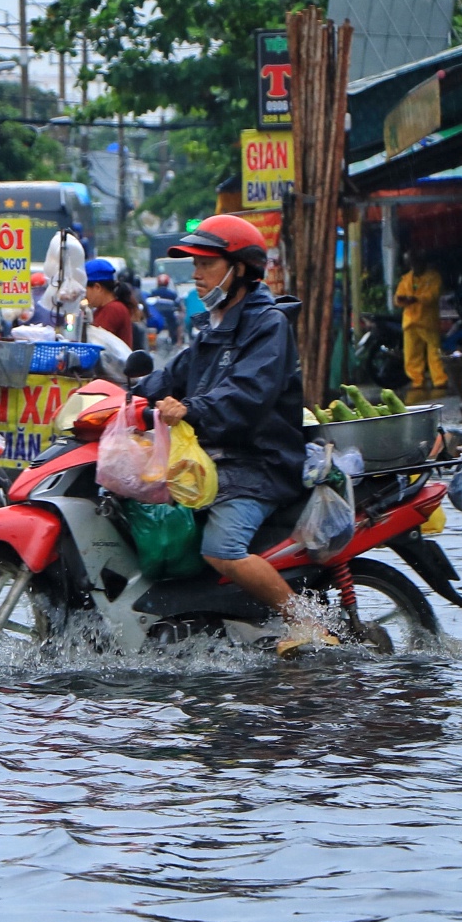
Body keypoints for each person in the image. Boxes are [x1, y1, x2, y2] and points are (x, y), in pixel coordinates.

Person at [133, 214, 333, 654]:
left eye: (206, 264)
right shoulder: (215, 326)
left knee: (222, 548)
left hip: (258, 464)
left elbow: (246, 395)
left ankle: (311, 626)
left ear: (239, 268)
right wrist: (122, 394)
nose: (196, 275)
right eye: (194, 265)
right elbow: (174, 375)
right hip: (220, 461)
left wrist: (190, 409)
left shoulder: (267, 325)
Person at [394, 249, 446, 392]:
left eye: (415, 262)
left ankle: (439, 380)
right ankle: (417, 380)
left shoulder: (433, 277)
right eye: (411, 264)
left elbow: (432, 295)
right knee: (411, 354)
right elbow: (398, 297)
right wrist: (402, 300)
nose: (414, 266)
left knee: (434, 352)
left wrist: (416, 299)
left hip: (427, 321)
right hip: (410, 321)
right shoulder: (406, 279)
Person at [82, 258, 133, 347]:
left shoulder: (113, 309)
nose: (84, 295)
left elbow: (96, 345)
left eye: (85, 289)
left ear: (97, 287)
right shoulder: (103, 309)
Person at [147, 272, 184, 346]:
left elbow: (149, 304)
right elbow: (179, 306)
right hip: (170, 317)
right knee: (179, 323)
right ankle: (179, 342)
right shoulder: (172, 294)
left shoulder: (153, 293)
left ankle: (151, 344)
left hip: (156, 317)